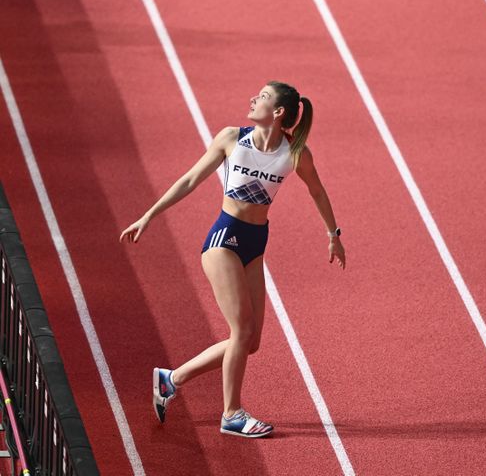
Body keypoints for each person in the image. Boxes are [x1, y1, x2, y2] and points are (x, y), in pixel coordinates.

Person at [119, 81, 346, 438]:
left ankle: (171, 379)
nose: (253, 99)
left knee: (250, 341)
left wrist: (333, 236)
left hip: (255, 245)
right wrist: (149, 215)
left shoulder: (295, 152)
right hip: (223, 241)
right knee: (241, 331)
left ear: (279, 112)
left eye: (263, 97)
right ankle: (232, 414)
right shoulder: (231, 138)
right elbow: (191, 178)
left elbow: (317, 190)